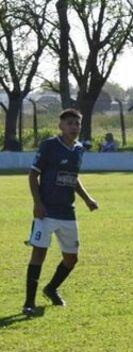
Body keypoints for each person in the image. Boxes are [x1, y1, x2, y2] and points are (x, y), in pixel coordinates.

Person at [22, 108, 99, 316]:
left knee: (71, 259)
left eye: (77, 123)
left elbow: (73, 177)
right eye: (70, 123)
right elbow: (33, 175)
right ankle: (29, 302)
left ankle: (51, 288)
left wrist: (87, 199)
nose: (74, 127)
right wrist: (37, 203)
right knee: (39, 253)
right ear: (61, 126)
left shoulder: (79, 149)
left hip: (67, 212)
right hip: (46, 212)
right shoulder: (49, 146)